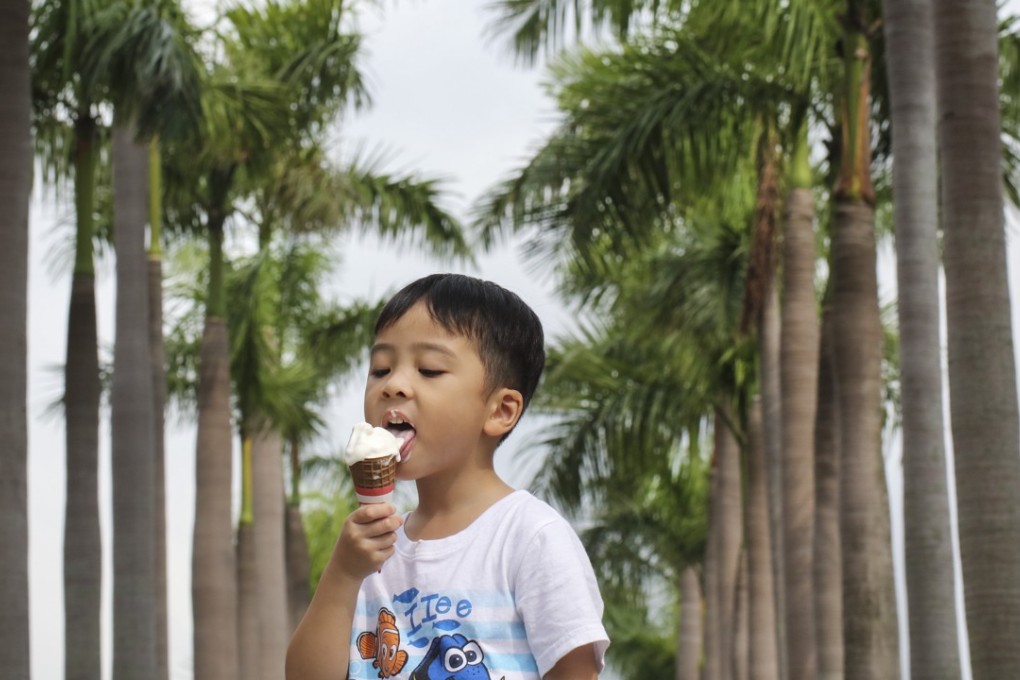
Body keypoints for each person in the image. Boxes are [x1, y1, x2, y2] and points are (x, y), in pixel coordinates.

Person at [287, 273, 610, 680]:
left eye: (430, 370)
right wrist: (342, 575)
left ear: (500, 411)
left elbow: (574, 671)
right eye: (381, 369)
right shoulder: (372, 554)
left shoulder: (530, 536)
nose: (394, 386)